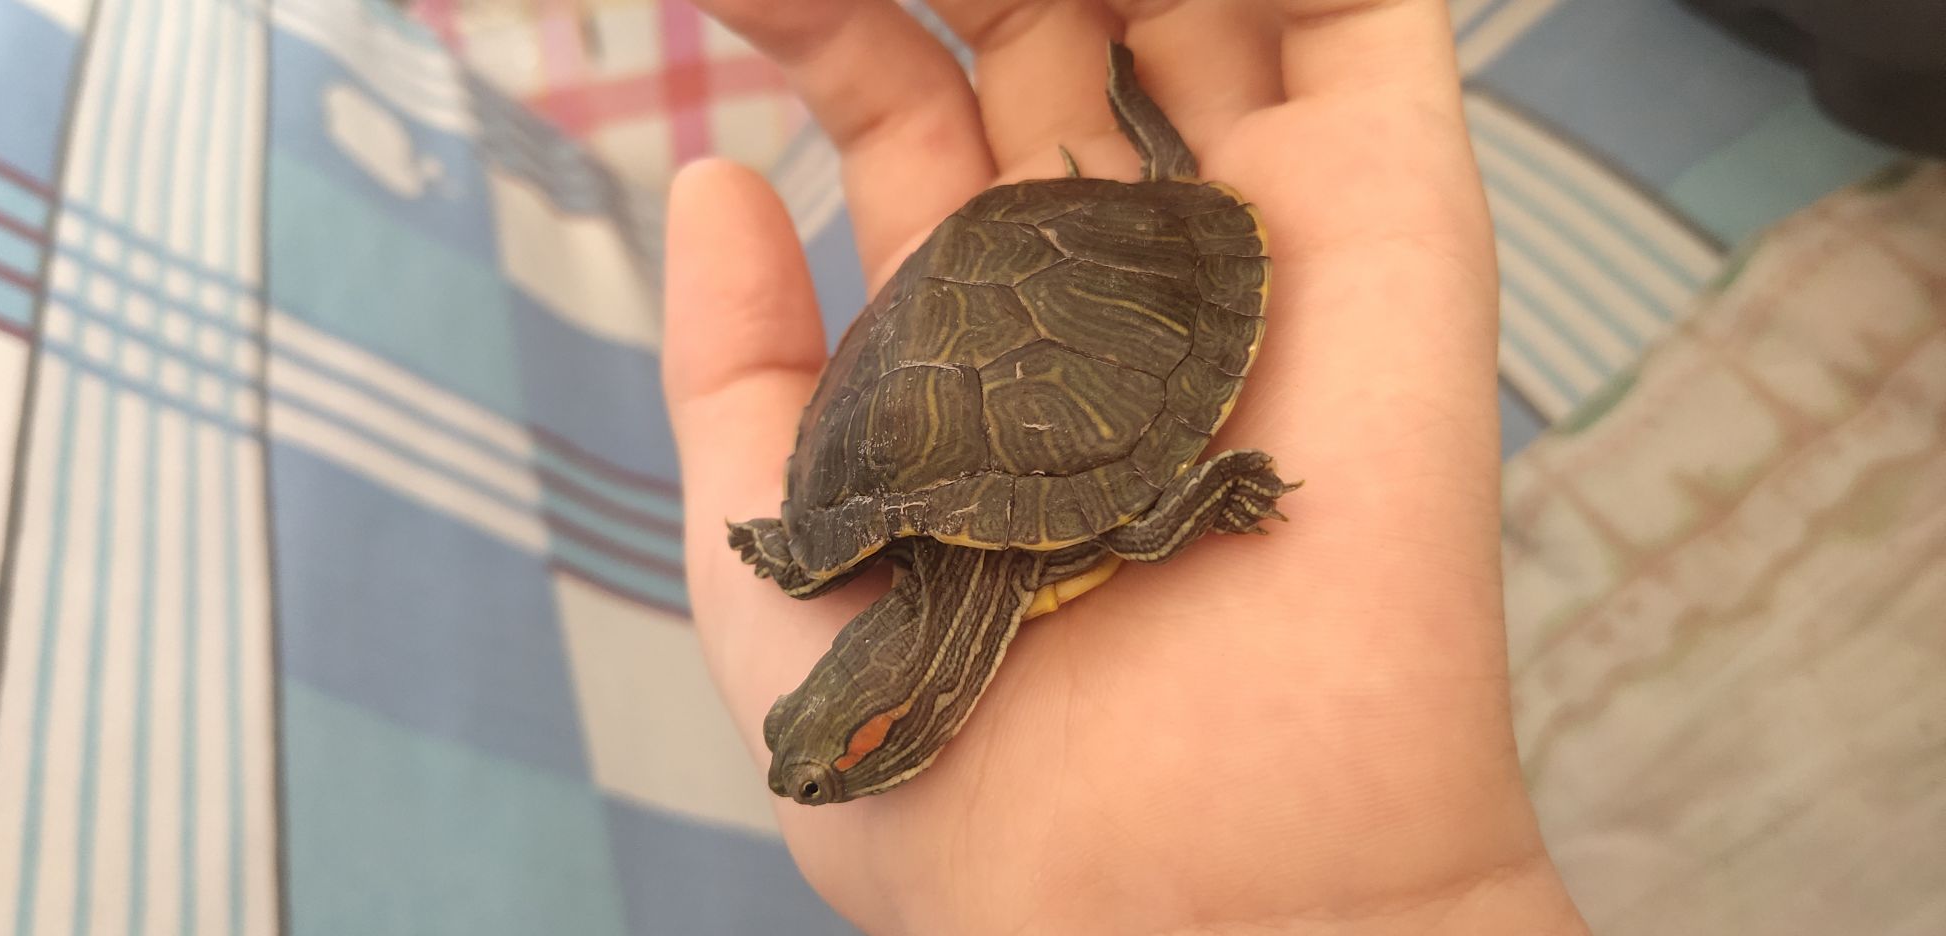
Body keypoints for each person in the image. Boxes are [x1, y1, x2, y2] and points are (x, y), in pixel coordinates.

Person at [659, 1, 1591, 932]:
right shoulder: (888, 559)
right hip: (950, 349)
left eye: (813, 775)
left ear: (887, 726)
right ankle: (1156, 177)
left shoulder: (860, 560)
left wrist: (1216, 494)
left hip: (1085, 282)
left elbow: (1134, 517)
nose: (795, 787)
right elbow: (1129, 516)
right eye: (808, 764)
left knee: (1139, 528)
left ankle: (1162, 183)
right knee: (1135, 530)